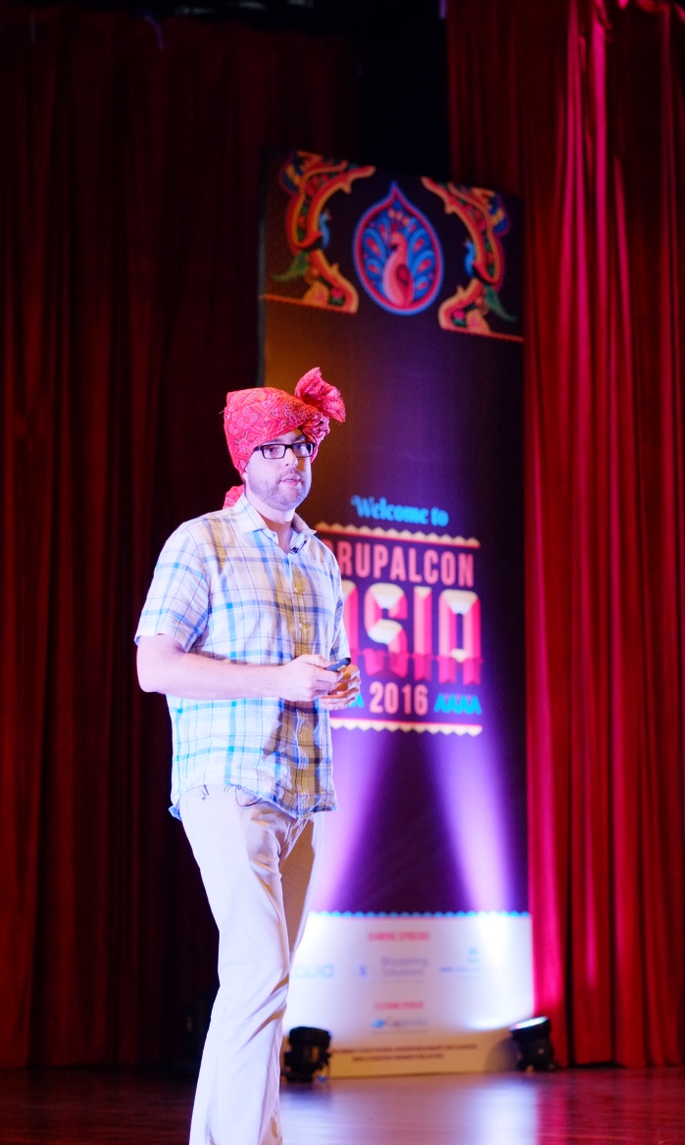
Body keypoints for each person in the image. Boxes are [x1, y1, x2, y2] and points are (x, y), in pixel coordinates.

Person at [135, 367, 360, 1145]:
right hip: (226, 782)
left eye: (304, 445)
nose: (293, 461)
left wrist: (338, 680)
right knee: (260, 973)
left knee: (261, 985)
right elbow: (154, 667)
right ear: (243, 458)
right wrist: (280, 679)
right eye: (275, 448)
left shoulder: (321, 558)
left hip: (301, 788)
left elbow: (321, 665)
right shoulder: (202, 542)